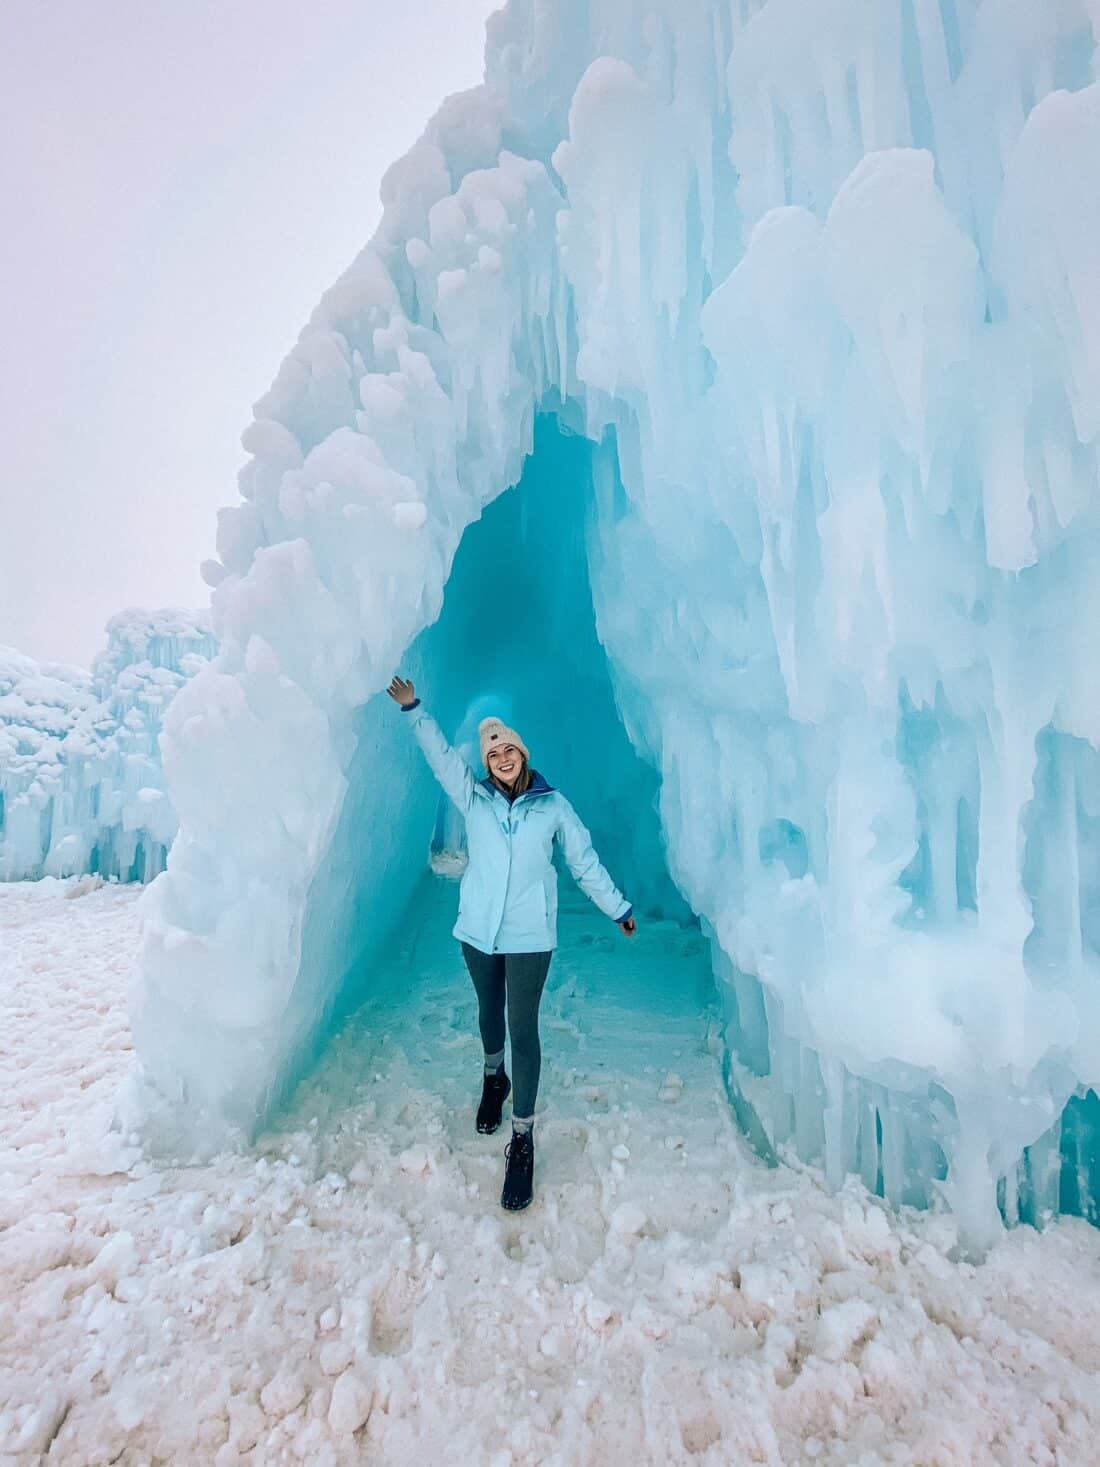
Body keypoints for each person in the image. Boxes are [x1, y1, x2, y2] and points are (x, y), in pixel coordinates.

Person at [387, 675, 637, 1211]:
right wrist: (415, 711)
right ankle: (491, 1078)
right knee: (488, 1013)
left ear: (522, 754)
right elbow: (439, 760)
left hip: (529, 938)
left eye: (507, 748)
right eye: (491, 751)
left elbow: (583, 861)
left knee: (524, 1027)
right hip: (478, 931)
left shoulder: (552, 807)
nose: (500, 756)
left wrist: (617, 907)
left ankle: (521, 1135)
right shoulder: (472, 797)